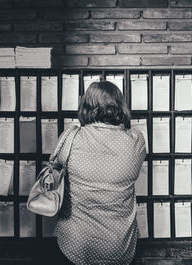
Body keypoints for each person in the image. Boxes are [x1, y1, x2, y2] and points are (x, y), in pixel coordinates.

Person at [52, 81, 146, 265]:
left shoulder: (71, 137)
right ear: (120, 106)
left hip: (75, 242)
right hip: (119, 246)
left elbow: (54, 167)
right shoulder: (136, 140)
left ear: (86, 105)